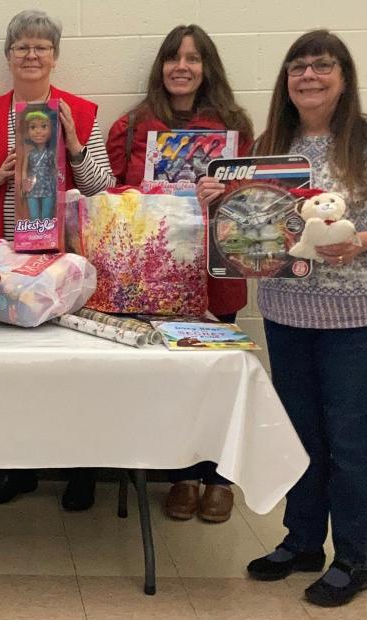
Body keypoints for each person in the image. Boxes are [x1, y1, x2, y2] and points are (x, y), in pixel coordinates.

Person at [197, 30, 367, 607]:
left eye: (323, 66)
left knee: (350, 439)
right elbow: (250, 224)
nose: (309, 76)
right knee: (300, 435)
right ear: (286, 81)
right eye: (298, 67)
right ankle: (302, 543)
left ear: (343, 76)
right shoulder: (274, 143)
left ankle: (353, 559)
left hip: (359, 317)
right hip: (288, 310)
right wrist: (216, 201)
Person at [0, 9, 116, 511]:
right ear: (8, 56)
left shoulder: (81, 112)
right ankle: (17, 469)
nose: (31, 54)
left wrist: (78, 147)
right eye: (22, 46)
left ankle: (82, 471)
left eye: (41, 46)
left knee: (72, 374)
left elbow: (102, 191)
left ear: (55, 56)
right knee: (7, 375)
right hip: (1, 266)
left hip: (62, 265)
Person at [106, 24, 255, 523]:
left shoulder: (236, 125)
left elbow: (254, 203)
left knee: (218, 376)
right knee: (170, 379)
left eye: (193, 58)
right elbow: (113, 199)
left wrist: (224, 192)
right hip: (158, 274)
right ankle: (182, 475)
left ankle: (218, 476)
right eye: (174, 58)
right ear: (161, 66)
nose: (182, 67)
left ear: (207, 67)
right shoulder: (131, 127)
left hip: (217, 270)